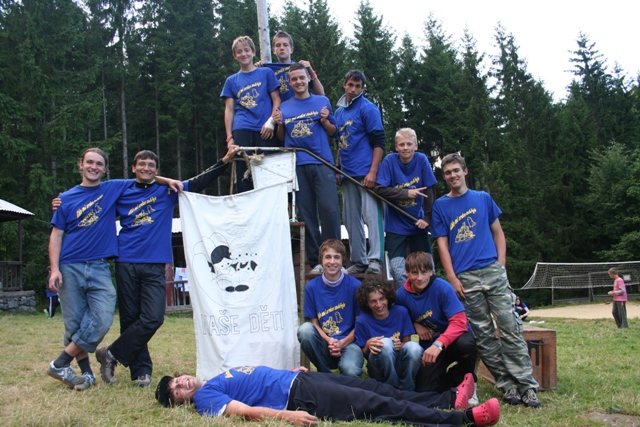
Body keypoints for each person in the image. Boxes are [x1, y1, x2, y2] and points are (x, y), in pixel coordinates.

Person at [94, 146, 239, 388]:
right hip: (126, 261)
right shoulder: (121, 189)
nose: (146, 168)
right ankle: (141, 371)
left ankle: (109, 354)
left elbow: (199, 181)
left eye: (151, 165)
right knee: (130, 318)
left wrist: (224, 161)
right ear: (133, 168)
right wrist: (62, 201)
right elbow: (91, 194)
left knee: (153, 317)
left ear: (156, 170)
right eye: (142, 164)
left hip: (155, 263)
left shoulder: (168, 190)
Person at [430, 153, 541, 408]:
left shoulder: (483, 198)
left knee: (511, 328)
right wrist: (451, 277)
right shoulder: (441, 206)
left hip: (492, 271)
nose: (452, 176)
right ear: (444, 177)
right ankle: (507, 384)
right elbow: (442, 245)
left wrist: (501, 264)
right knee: (483, 336)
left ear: (465, 171)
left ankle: (526, 385)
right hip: (465, 278)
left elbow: (498, 232)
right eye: (447, 173)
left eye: (456, 170)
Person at [155, 365, 500, 427]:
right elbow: (244, 410)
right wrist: (289, 416)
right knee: (379, 405)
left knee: (376, 388)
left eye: (177, 380)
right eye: (177, 391)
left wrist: (289, 370)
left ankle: (448, 399)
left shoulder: (213, 379)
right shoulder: (205, 400)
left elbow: (255, 379)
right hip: (299, 397)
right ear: (180, 402)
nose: (181, 383)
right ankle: (462, 419)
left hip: (300, 380)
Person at [273, 63, 341, 274]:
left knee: (329, 210)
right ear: (289, 82)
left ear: (308, 78)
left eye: (302, 77)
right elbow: (281, 138)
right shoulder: (284, 106)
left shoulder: (322, 101)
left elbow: (334, 132)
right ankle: (316, 261)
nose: (298, 82)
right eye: (294, 79)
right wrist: (280, 124)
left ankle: (335, 258)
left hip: (322, 162)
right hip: (297, 165)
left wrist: (325, 121)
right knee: (307, 214)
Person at [395, 252, 477, 394]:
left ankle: (467, 381)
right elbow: (398, 316)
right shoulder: (401, 295)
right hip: (429, 347)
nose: (419, 278)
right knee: (425, 390)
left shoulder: (443, 287)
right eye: (414, 273)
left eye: (424, 272)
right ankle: (452, 382)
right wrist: (414, 324)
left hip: (453, 341)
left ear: (431, 272)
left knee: (467, 344)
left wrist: (438, 344)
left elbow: (460, 322)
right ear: (407, 273)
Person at [334, 70, 386, 275]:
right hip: (347, 173)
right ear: (344, 85)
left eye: (358, 86)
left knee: (372, 217)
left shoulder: (368, 108)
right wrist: (338, 168)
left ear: (363, 88)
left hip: (366, 172)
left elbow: (379, 142)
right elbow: (340, 142)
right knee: (350, 219)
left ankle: (375, 260)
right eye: (350, 85)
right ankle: (359, 260)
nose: (353, 89)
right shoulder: (339, 113)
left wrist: (373, 171)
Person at [373, 128, 437, 287]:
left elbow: (429, 191)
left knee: (427, 267)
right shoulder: (389, 161)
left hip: (417, 223)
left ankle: (427, 297)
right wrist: (406, 193)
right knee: (397, 270)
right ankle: (409, 296)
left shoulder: (421, 160)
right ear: (396, 147)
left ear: (416, 146)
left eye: (409, 144)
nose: (405, 148)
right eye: (401, 145)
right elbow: (379, 189)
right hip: (395, 226)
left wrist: (427, 218)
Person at [221, 35, 281, 193]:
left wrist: (271, 121)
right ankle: (245, 206)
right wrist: (229, 137)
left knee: (269, 171)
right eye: (239, 52)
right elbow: (229, 110)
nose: (243, 54)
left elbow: (277, 100)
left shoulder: (266, 73)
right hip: (242, 128)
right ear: (234, 56)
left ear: (253, 52)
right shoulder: (231, 81)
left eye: (246, 50)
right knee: (244, 173)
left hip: (265, 129)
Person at [296, 239, 363, 377]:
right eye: (328, 257)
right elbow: (314, 322)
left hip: (350, 342)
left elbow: (360, 323)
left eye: (336, 257)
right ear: (321, 260)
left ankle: (347, 384)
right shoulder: (311, 287)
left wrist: (342, 343)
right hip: (325, 342)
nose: (332, 262)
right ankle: (325, 376)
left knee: (350, 370)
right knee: (305, 330)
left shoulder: (355, 286)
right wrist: (329, 341)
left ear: (343, 260)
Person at [354, 277, 423, 390]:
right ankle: (391, 388)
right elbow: (364, 355)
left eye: (382, 299)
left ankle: (407, 387)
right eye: (373, 301)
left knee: (414, 347)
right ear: (367, 303)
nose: (379, 304)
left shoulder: (401, 312)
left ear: (387, 298)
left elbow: (407, 342)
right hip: (379, 368)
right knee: (385, 343)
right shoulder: (362, 320)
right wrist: (368, 344)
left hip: (399, 362)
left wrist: (398, 345)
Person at [258, 31, 325, 102]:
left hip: (299, 106)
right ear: (273, 50)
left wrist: (310, 70)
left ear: (291, 49)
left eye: (285, 45)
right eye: (278, 45)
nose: (282, 48)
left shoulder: (299, 69)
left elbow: (321, 94)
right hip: (280, 108)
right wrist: (257, 70)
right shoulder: (268, 70)